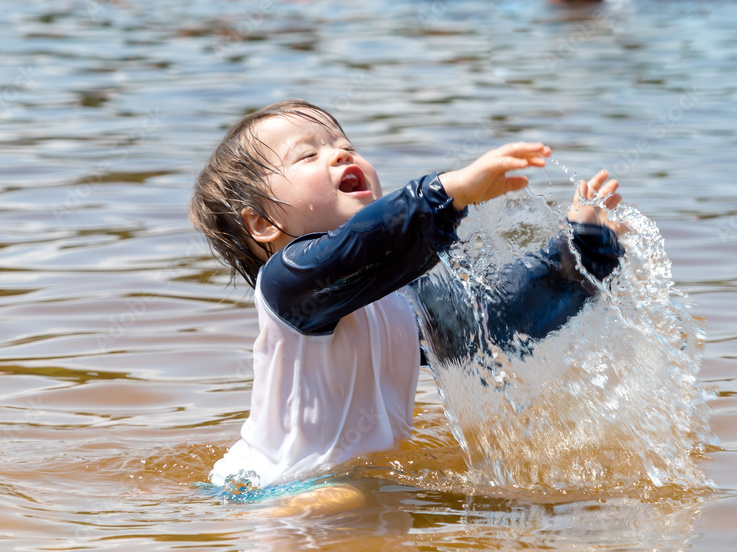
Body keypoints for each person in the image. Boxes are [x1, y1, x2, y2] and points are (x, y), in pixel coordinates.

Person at [189, 99, 625, 502]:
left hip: (346, 483)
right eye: (307, 155)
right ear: (262, 223)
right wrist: (445, 193)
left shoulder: (397, 292)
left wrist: (580, 254)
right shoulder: (289, 284)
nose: (341, 155)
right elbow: (360, 245)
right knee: (351, 499)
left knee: (374, 503)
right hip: (268, 487)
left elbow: (494, 321)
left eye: (345, 146)